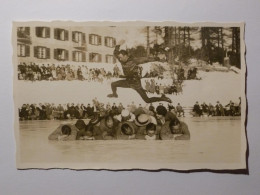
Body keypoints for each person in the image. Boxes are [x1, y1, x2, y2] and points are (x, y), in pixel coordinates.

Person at [107, 40, 171, 103]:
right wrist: (118, 45)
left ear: (125, 56)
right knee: (113, 84)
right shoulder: (121, 59)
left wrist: (158, 58)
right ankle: (115, 94)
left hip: (136, 83)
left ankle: (162, 98)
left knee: (147, 100)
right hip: (128, 81)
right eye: (119, 58)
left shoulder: (134, 60)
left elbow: (147, 59)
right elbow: (115, 53)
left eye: (121, 57)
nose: (120, 59)